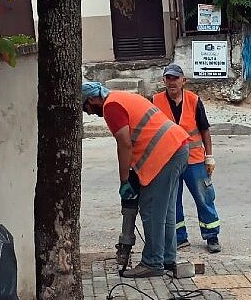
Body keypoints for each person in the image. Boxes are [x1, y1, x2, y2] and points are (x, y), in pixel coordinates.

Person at [81, 81, 189, 277]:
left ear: (92, 99)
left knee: (151, 209)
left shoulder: (111, 107)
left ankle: (153, 263)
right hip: (177, 148)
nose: (87, 113)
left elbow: (124, 144)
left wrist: (124, 181)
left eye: (85, 107)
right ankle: (167, 258)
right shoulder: (122, 96)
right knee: (166, 210)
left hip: (165, 154)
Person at [152, 64, 222, 253]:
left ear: (184, 81)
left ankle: (212, 236)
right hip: (169, 160)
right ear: (163, 80)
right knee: (172, 200)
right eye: (168, 78)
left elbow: (204, 130)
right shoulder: (156, 101)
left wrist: (209, 156)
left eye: (175, 78)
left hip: (194, 160)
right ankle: (179, 237)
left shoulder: (193, 100)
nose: (172, 82)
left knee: (204, 196)